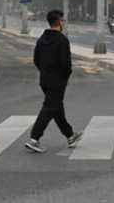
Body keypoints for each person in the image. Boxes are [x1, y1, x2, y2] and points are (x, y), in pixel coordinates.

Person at [25, 10, 82, 153]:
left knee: (56, 108)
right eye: (63, 20)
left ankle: (70, 135)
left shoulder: (42, 39)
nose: (64, 23)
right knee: (49, 108)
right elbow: (66, 64)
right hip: (57, 81)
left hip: (44, 80)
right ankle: (34, 138)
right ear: (59, 22)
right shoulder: (62, 40)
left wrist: (45, 72)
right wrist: (65, 77)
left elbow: (36, 60)